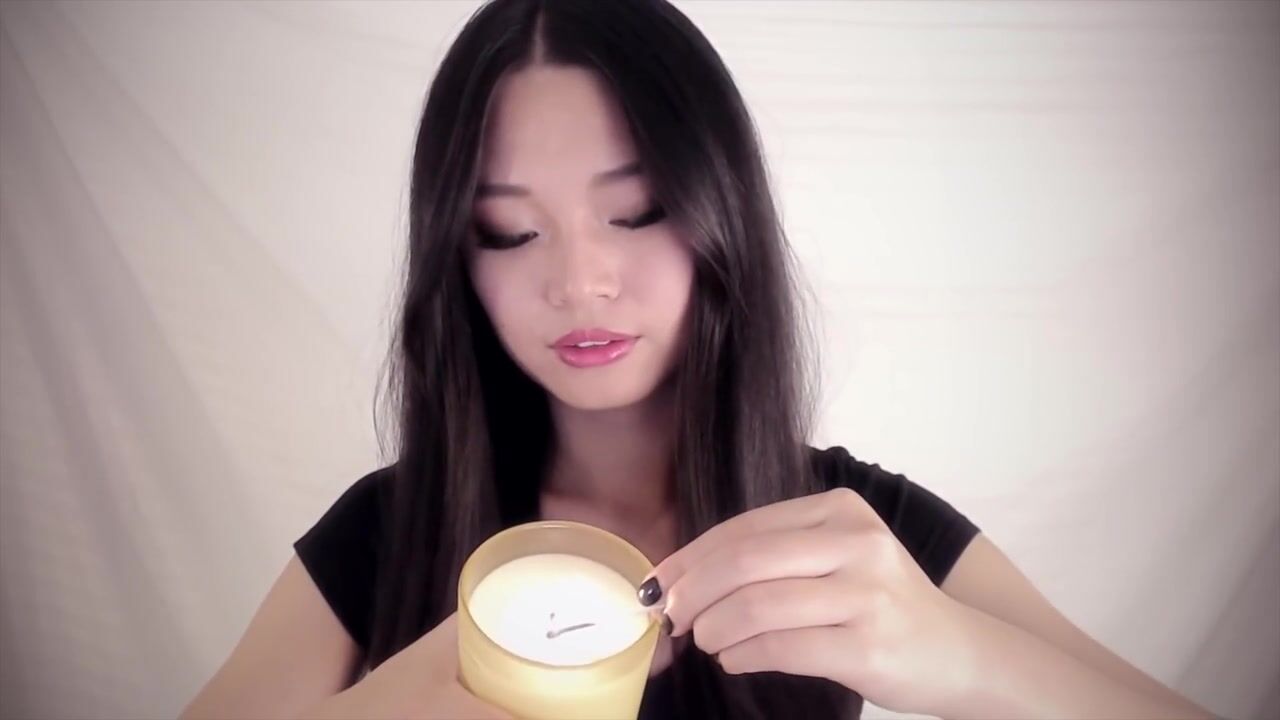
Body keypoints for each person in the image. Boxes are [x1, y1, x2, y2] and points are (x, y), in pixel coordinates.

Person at [181, 1, 1216, 718]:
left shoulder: (855, 533)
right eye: (507, 231)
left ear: (719, 214)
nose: (578, 281)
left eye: (635, 211)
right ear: (458, 263)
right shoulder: (388, 531)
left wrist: (960, 658)